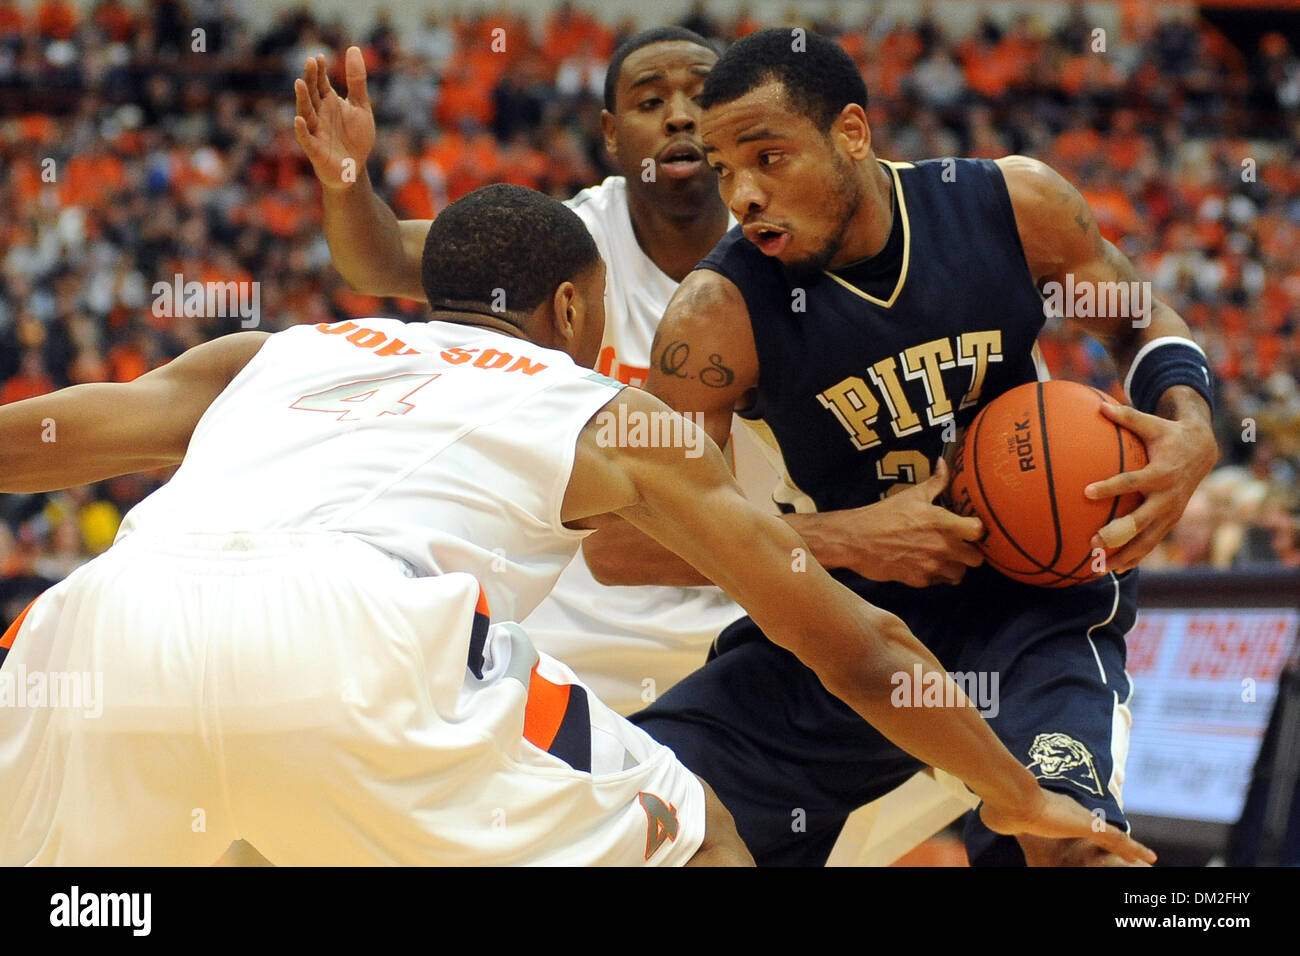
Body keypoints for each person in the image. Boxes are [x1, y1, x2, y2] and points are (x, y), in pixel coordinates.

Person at [0, 185, 1154, 866]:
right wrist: (1011, 786)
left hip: (93, 630)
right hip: (357, 636)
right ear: (572, 306)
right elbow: (848, 642)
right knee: (704, 839)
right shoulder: (598, 403)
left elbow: (43, 437)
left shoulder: (275, 354)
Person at [605, 29, 1216, 866]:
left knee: (1073, 845)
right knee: (640, 816)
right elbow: (625, 541)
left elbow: (1139, 319)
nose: (741, 194)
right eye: (723, 169)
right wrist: (848, 536)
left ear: (851, 132)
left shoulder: (1011, 207)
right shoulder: (718, 313)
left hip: (1035, 592)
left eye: (767, 156)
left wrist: (1191, 427)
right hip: (850, 614)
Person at [296, 32, 773, 716]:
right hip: (576, 635)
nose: (677, 115)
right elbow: (380, 262)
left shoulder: (785, 240)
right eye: (650, 100)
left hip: (749, 608)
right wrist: (346, 181)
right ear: (611, 134)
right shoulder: (565, 245)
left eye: (700, 96)